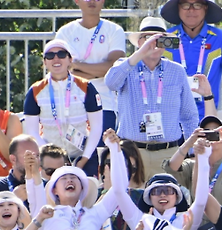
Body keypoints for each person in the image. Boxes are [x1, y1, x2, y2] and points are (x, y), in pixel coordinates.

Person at [105, 17, 198, 180]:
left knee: (169, 200)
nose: (155, 43)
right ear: (139, 42)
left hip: (169, 153)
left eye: (160, 39)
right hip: (132, 152)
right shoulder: (125, 65)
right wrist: (140, 54)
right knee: (131, 200)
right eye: (149, 38)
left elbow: (188, 115)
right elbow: (111, 83)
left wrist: (191, 153)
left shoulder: (176, 71)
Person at [160, 0, 222, 118]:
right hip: (170, 117)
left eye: (197, 5)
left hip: (206, 118)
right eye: (185, 5)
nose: (191, 10)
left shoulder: (220, 38)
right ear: (178, 8)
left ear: (206, 8)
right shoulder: (165, 38)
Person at [23, 39, 103, 176]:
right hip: (50, 160)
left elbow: (96, 128)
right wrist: (51, 156)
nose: (56, 59)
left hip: (83, 154)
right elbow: (32, 131)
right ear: (45, 62)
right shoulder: (35, 91)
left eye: (61, 54)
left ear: (70, 59)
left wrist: (84, 158)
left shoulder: (86, 87)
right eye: (50, 56)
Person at [55, 0, 126, 139]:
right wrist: (100, 71)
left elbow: (115, 69)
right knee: (73, 156)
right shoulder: (65, 32)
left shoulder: (115, 30)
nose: (92, 1)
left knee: (102, 156)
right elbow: (59, 71)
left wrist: (76, 65)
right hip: (71, 104)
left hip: (105, 104)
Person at [0, 134, 40, 212]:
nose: (33, 160)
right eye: (28, 156)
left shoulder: (45, 185)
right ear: (13, 159)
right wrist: (11, 200)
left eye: (37, 156)